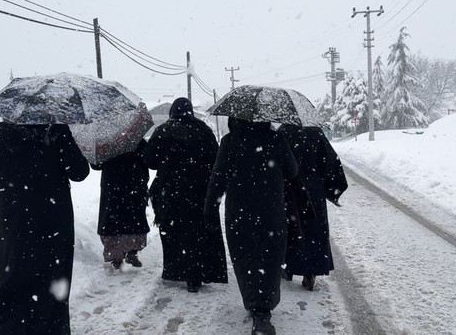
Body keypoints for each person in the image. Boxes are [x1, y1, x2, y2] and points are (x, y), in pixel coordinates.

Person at [0, 122, 90, 335]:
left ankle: (6, 329)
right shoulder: (57, 132)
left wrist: (9, 204)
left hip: (11, 221)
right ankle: (49, 329)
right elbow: (79, 172)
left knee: (10, 277)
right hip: (53, 220)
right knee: (52, 278)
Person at [205, 117, 299, 335]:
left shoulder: (230, 141)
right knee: (270, 257)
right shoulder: (277, 139)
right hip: (271, 212)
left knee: (246, 257)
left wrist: (210, 208)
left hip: (240, 214)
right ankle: (263, 310)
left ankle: (255, 304)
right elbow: (292, 171)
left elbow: (218, 178)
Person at [144, 97, 228, 292]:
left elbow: (150, 161)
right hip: (200, 190)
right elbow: (215, 159)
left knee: (176, 232)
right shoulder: (204, 130)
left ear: (172, 112)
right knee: (199, 232)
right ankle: (197, 274)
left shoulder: (163, 131)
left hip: (171, 190)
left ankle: (179, 270)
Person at [278, 124, 349, 292]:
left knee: (291, 230)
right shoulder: (315, 133)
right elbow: (332, 163)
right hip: (313, 190)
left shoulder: (283, 132)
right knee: (313, 231)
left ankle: (288, 267)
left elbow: (276, 162)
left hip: (289, 190)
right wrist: (332, 189)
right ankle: (310, 272)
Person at [90, 139, 150, 270]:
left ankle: (116, 256)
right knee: (134, 219)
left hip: (113, 185)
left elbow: (96, 165)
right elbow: (148, 159)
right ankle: (132, 252)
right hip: (134, 183)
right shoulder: (137, 139)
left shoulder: (106, 140)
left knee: (113, 220)